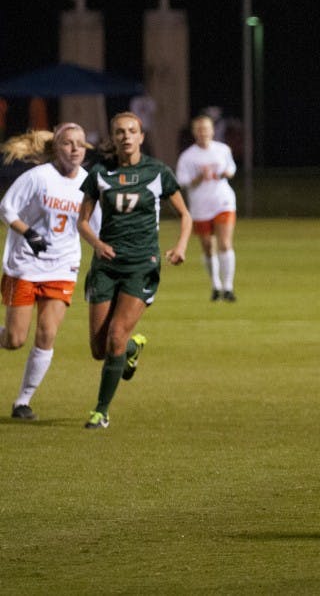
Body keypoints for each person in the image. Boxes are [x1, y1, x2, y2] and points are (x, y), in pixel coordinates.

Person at [77, 111, 192, 429]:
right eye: (120, 132)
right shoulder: (100, 173)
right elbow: (82, 222)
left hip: (141, 265)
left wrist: (180, 247)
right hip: (106, 266)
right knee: (99, 348)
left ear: (141, 137)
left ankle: (101, 412)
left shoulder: (157, 172)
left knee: (115, 335)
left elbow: (185, 215)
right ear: (113, 138)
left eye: (132, 131)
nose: (126, 136)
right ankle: (131, 347)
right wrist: (97, 244)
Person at [0, 123, 90, 420]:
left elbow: (95, 224)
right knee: (14, 340)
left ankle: (22, 402)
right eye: (67, 143)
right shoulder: (38, 177)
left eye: (80, 143)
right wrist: (28, 233)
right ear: (56, 148)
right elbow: (6, 208)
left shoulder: (89, 183)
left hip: (63, 265)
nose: (74, 149)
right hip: (25, 264)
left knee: (47, 332)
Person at [176, 114, 238, 301]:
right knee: (208, 247)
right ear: (194, 132)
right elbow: (182, 181)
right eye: (199, 129)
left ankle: (228, 287)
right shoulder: (188, 156)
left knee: (224, 243)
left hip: (223, 201)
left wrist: (226, 173)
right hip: (201, 206)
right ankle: (215, 285)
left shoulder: (222, 149)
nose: (203, 132)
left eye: (206, 129)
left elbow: (231, 169)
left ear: (212, 131)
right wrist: (198, 178)